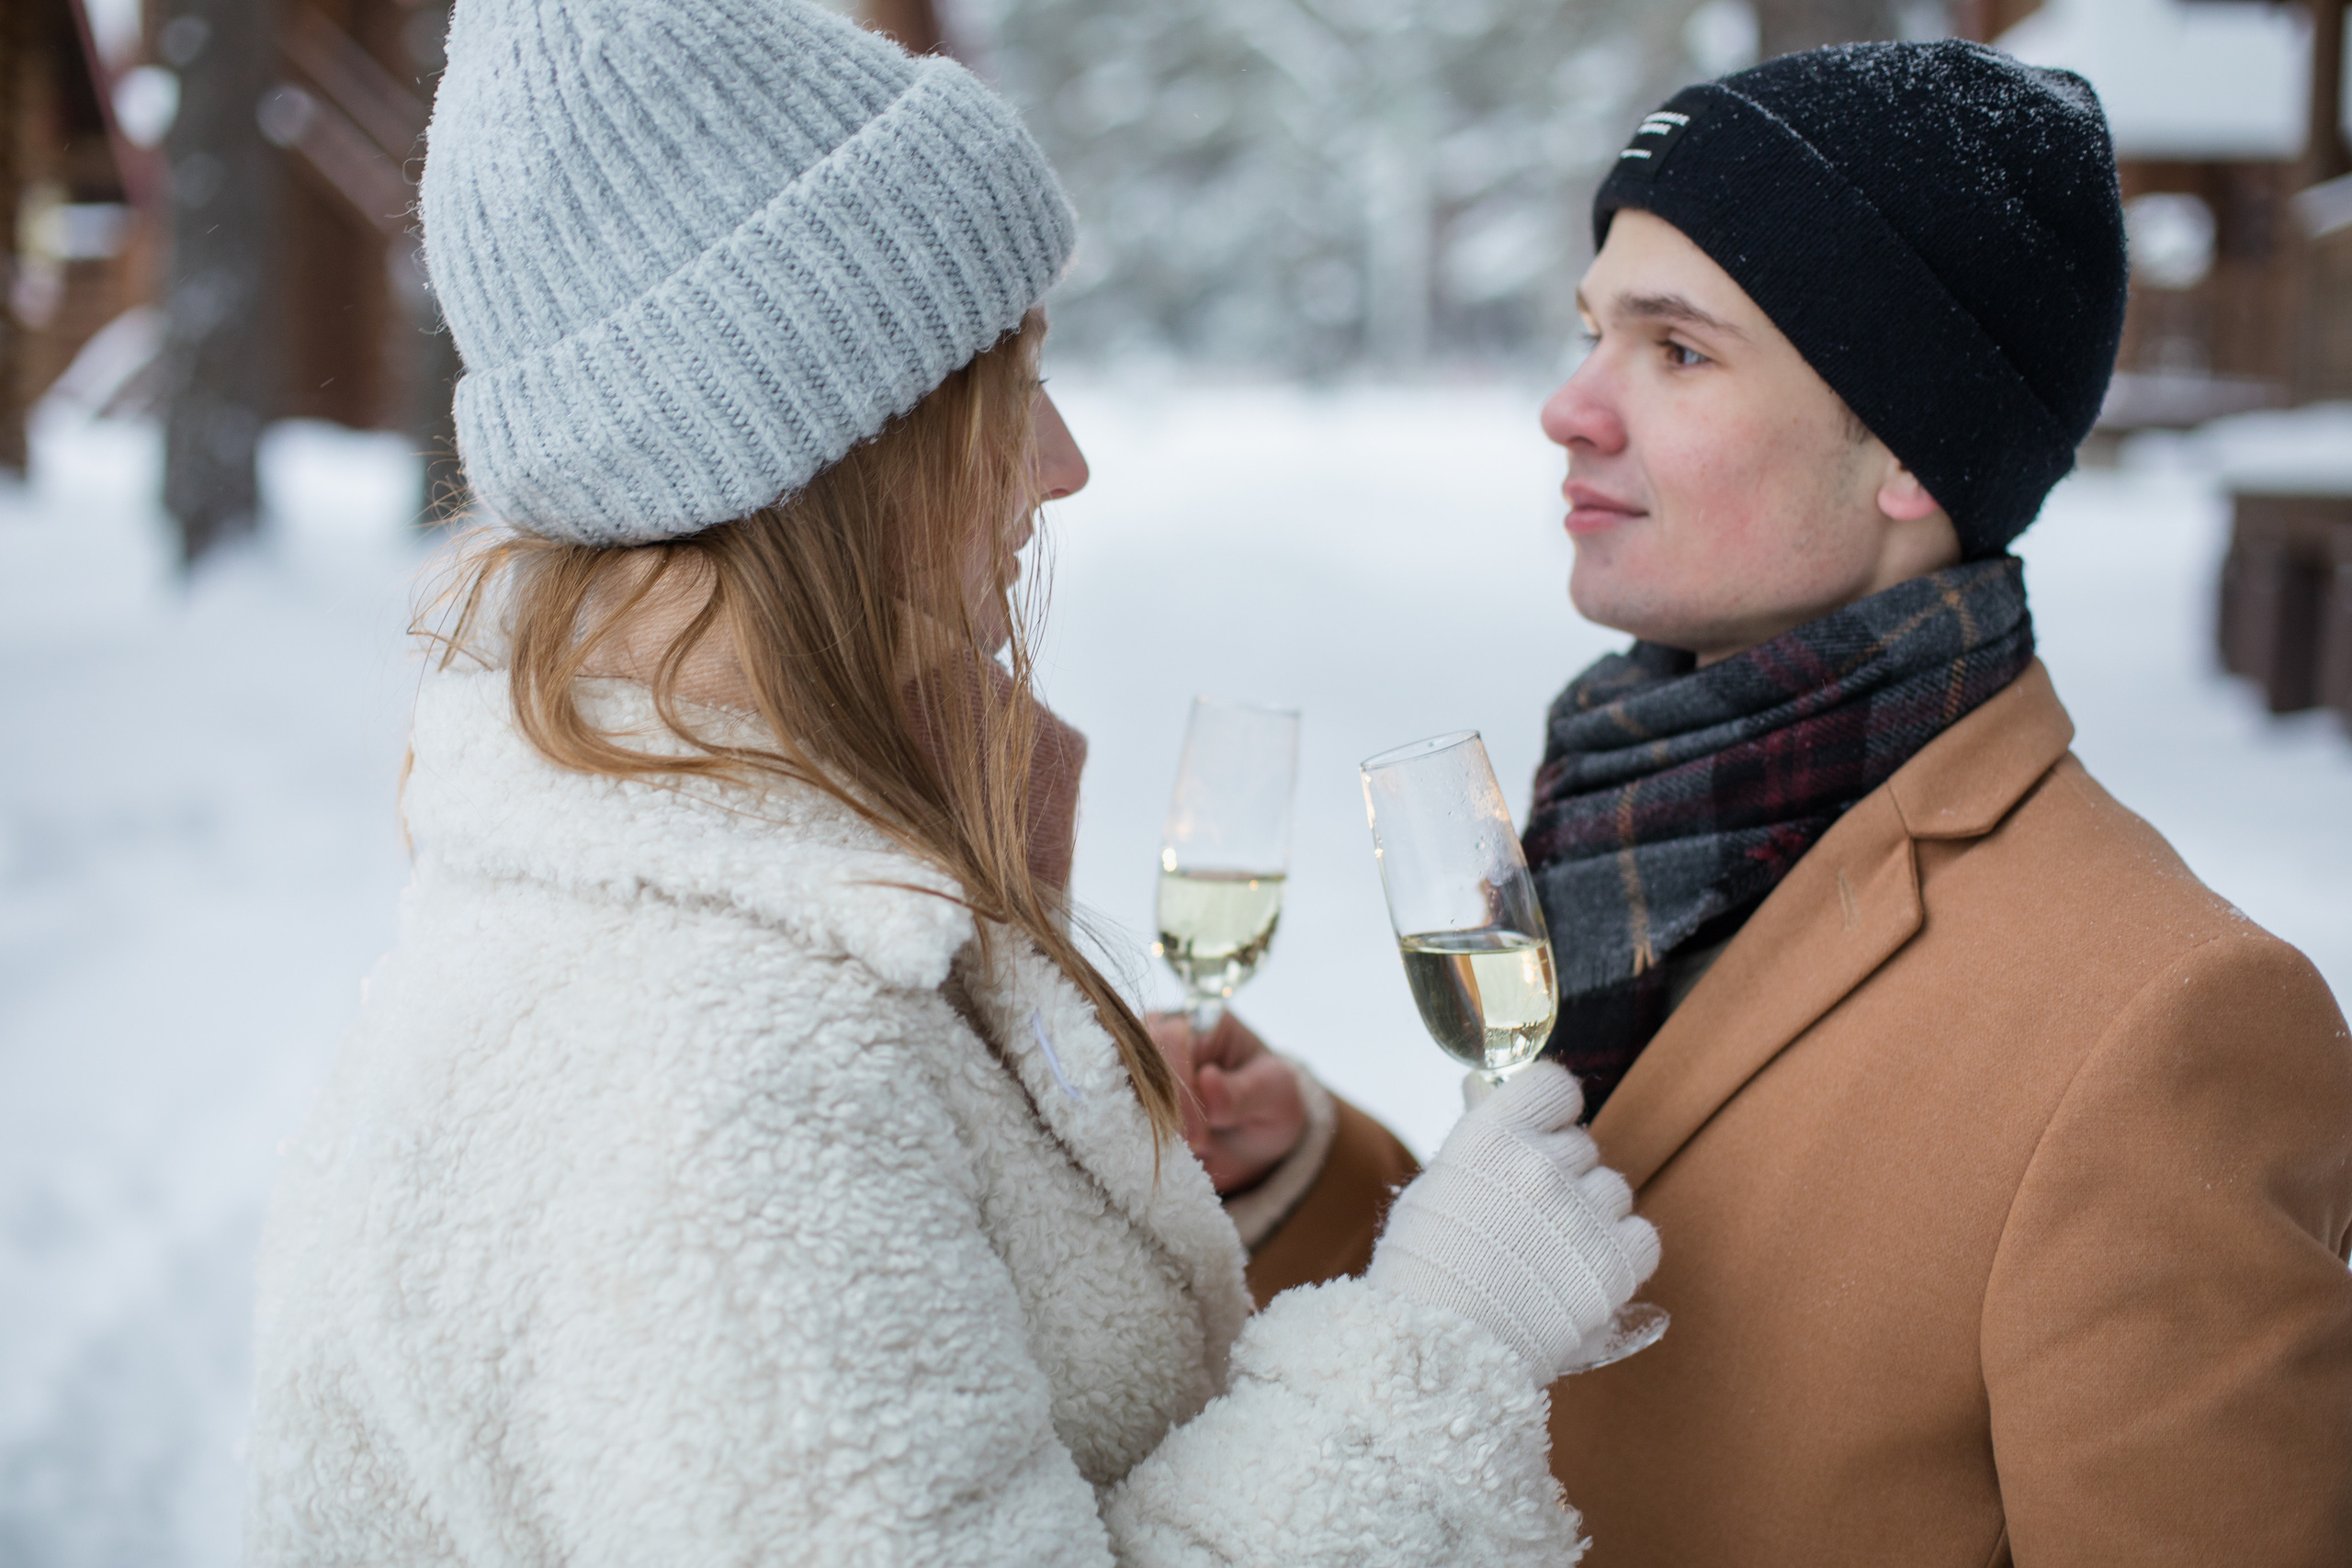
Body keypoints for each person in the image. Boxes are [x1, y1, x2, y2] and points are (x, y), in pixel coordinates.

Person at [242, 2, 1663, 1562]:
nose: (1063, 463)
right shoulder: (719, 1064)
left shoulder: (735, 916)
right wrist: (1436, 1352)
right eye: (1011, 380)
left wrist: (1087, 1218)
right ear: (833, 449)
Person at [1239, 39, 2352, 1565]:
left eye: (1677, 351)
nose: (1570, 408)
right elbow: (1582, 1273)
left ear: (1909, 446)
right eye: (1593, 332)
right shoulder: (1633, 819)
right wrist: (1308, 1173)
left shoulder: (2166, 1025)